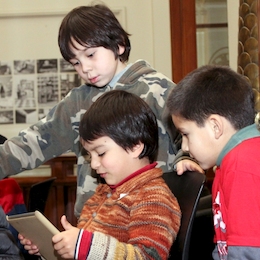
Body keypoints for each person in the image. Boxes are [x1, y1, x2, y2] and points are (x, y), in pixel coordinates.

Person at [0, 4, 202, 218]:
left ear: (119, 45)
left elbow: (191, 133)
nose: (85, 68)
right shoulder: (77, 102)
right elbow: (34, 142)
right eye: (76, 62)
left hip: (146, 219)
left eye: (90, 55)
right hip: (94, 223)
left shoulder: (156, 89)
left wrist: (188, 158)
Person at [20, 90, 181, 260]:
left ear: (135, 146)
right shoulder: (102, 194)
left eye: (101, 153)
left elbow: (147, 257)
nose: (94, 164)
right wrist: (54, 249)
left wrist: (84, 246)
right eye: (90, 155)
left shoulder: (154, 197)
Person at [166, 65, 260, 260]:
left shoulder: (241, 163)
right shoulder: (230, 162)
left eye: (186, 134)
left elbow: (248, 252)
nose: (184, 147)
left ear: (215, 126)